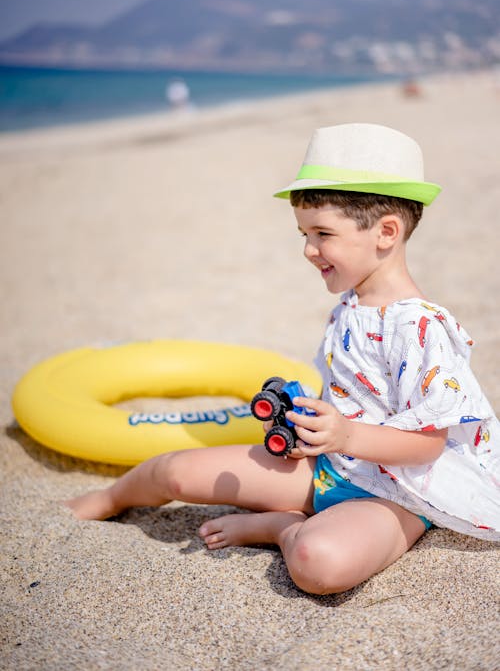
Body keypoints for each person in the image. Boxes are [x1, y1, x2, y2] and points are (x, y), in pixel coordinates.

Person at [66, 123, 500, 595]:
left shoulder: (423, 328)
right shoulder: (350, 307)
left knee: (318, 564)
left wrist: (347, 434)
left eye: (322, 233)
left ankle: (281, 528)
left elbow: (427, 445)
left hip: (400, 491)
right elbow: (348, 393)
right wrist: (307, 427)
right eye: (303, 233)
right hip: (329, 466)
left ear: (386, 233)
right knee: (173, 470)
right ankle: (111, 499)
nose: (309, 250)